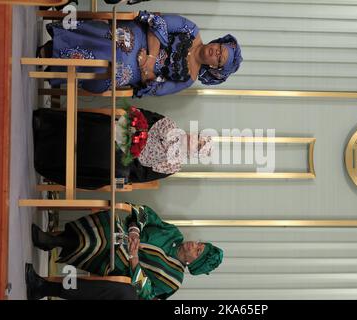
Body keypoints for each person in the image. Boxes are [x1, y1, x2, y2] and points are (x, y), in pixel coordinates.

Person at [26, 203, 223, 300]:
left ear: (194, 263)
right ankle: (53, 241)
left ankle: (45, 286)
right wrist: (135, 229)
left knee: (118, 283)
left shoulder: (173, 279)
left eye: (198, 251)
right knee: (110, 225)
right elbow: (146, 213)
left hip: (120, 267)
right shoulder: (173, 233)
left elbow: (145, 292)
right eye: (199, 244)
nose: (194, 245)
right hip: (121, 237)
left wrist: (134, 258)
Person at [38, 10, 243, 97]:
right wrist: (151, 58)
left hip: (137, 71)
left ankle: (59, 67)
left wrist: (146, 70)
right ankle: (57, 45)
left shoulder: (188, 79)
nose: (216, 51)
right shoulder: (191, 30)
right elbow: (158, 22)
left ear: (215, 67)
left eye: (219, 58)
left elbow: (156, 89)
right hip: (141, 37)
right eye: (219, 48)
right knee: (119, 40)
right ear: (217, 42)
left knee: (118, 70)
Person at [33, 106, 213, 189]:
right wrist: (134, 130)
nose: (193, 139)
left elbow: (142, 174)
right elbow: (143, 115)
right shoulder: (169, 124)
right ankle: (46, 125)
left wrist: (131, 150)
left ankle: (46, 156)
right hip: (126, 131)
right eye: (197, 137)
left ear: (193, 154)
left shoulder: (172, 165)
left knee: (108, 157)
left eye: (197, 145)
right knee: (106, 128)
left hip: (129, 159)